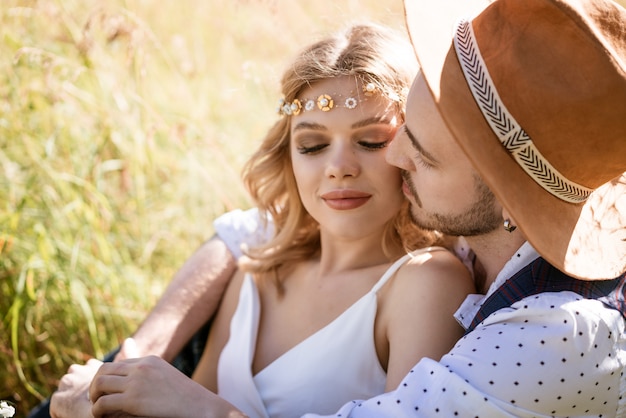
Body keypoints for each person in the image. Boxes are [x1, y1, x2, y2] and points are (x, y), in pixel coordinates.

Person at [79, 0, 626, 416]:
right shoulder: (466, 220)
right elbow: (253, 229)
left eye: (419, 153)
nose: (395, 157)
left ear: (513, 198)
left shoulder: (559, 336)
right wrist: (128, 361)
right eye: (313, 146)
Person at [50, 22, 475, 418]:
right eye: (312, 145)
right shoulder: (258, 270)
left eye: (370, 141)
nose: (339, 166)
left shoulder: (427, 282)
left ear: (412, 150)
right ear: (288, 158)